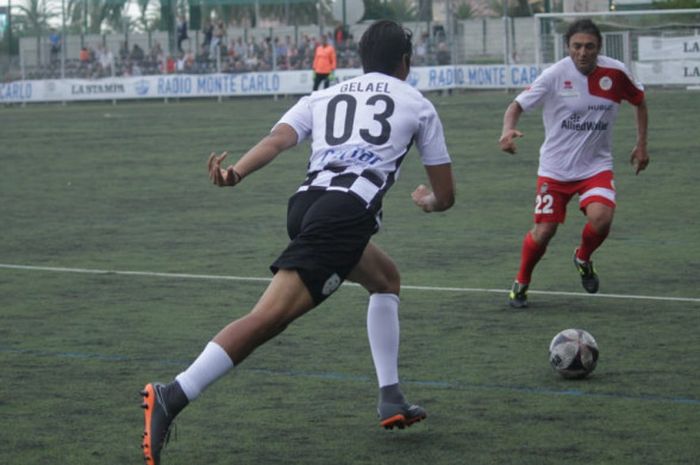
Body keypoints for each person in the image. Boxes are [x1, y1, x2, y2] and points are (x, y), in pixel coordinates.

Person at [141, 19, 455, 465]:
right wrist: (427, 202)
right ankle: (172, 394)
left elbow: (277, 141)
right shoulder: (418, 104)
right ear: (405, 63)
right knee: (267, 320)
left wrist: (236, 173)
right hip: (344, 216)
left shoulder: (324, 95)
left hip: (305, 206)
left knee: (385, 279)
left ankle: (391, 398)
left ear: (360, 60)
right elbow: (446, 194)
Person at [498, 18, 649, 308]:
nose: (582, 52)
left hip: (595, 167)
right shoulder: (555, 75)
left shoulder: (615, 73)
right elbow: (516, 106)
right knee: (544, 232)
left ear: (599, 47)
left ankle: (582, 257)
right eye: (576, 46)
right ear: (567, 47)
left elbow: (640, 101)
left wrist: (641, 145)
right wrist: (507, 131)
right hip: (554, 170)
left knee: (602, 219)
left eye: (589, 46)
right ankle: (521, 282)